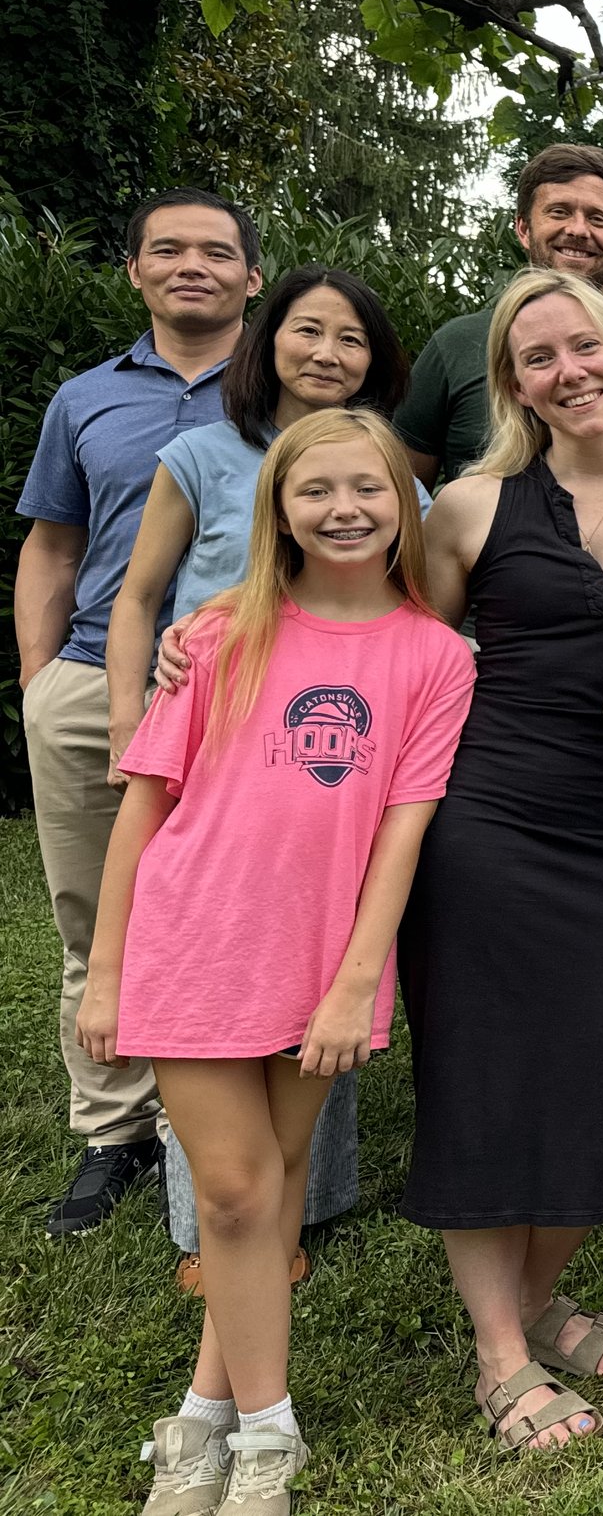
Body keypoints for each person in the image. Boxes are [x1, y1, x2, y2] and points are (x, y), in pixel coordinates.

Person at [80, 409, 472, 1514]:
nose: (345, 509)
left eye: (369, 488)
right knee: (235, 1187)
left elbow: (402, 829)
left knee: (275, 1186)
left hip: (318, 961)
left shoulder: (436, 657)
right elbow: (144, 807)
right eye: (316, 491)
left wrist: (357, 980)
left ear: (404, 504)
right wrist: (107, 969)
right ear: (279, 511)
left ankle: (204, 1412)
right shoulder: (215, 633)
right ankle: (268, 1436)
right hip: (191, 941)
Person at [397, 268, 603, 1449]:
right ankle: (500, 1354)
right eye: (539, 358)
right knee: (483, 1078)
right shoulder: (469, 507)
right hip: (488, 824)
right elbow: (403, 655)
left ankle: (535, 1298)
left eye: (585, 346)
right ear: (513, 385)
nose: (569, 371)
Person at [104, 265, 410, 1284]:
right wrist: (138, 708)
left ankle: (293, 1217)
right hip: (211, 719)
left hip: (326, 753)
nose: (328, 351)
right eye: (307, 329)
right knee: (203, 986)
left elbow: (415, 607)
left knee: (310, 997)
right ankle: (218, 1225)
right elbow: (140, 594)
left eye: (351, 337)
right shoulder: (201, 453)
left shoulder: (391, 473)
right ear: (264, 337)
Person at [15, 186, 262, 1235]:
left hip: (237, 695)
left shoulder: (288, 395)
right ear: (134, 271)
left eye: (215, 251)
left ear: (252, 275)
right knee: (91, 911)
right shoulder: (84, 400)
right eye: (167, 250)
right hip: (88, 679)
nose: (190, 265)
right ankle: (113, 1128)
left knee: (216, 911)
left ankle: (194, 1122)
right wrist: (42, 678)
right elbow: (53, 545)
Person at [395, 143, 603, 487]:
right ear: (523, 229)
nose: (578, 230)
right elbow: (405, 496)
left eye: (597, 218)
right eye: (559, 212)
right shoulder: (455, 345)